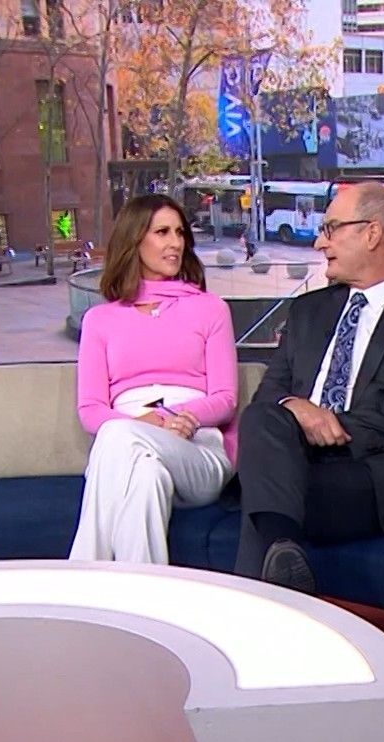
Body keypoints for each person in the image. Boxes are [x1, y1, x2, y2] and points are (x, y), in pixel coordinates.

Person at [234, 181, 384, 594]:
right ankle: (282, 559)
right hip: (296, 461)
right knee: (260, 418)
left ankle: (268, 575)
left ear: (372, 233)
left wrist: (328, 423)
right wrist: (295, 406)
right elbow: (269, 398)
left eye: (331, 229)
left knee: (267, 496)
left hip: (374, 475)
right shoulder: (307, 310)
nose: (319, 243)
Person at [70, 195, 237, 564]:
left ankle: (83, 573)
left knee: (118, 436)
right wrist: (145, 423)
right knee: (145, 476)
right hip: (130, 444)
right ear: (134, 240)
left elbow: (225, 398)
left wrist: (168, 418)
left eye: (179, 233)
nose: (175, 243)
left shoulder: (211, 309)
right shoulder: (100, 320)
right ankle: (142, 594)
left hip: (196, 447)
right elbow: (90, 410)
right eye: (162, 232)